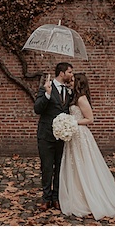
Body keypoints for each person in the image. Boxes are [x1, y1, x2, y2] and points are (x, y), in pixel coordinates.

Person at [59, 74, 115, 219]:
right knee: (75, 166)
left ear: (78, 83)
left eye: (72, 80)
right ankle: (77, 194)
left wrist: (73, 123)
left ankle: (90, 196)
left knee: (85, 165)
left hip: (81, 135)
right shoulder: (73, 98)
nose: (70, 82)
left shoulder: (82, 99)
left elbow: (90, 119)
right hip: (73, 136)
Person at [33, 61, 74, 210]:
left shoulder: (69, 91)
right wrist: (47, 95)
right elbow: (37, 109)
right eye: (69, 72)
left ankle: (56, 198)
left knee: (60, 168)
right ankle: (46, 198)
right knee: (47, 168)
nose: (71, 75)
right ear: (62, 73)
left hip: (62, 136)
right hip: (46, 135)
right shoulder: (46, 88)